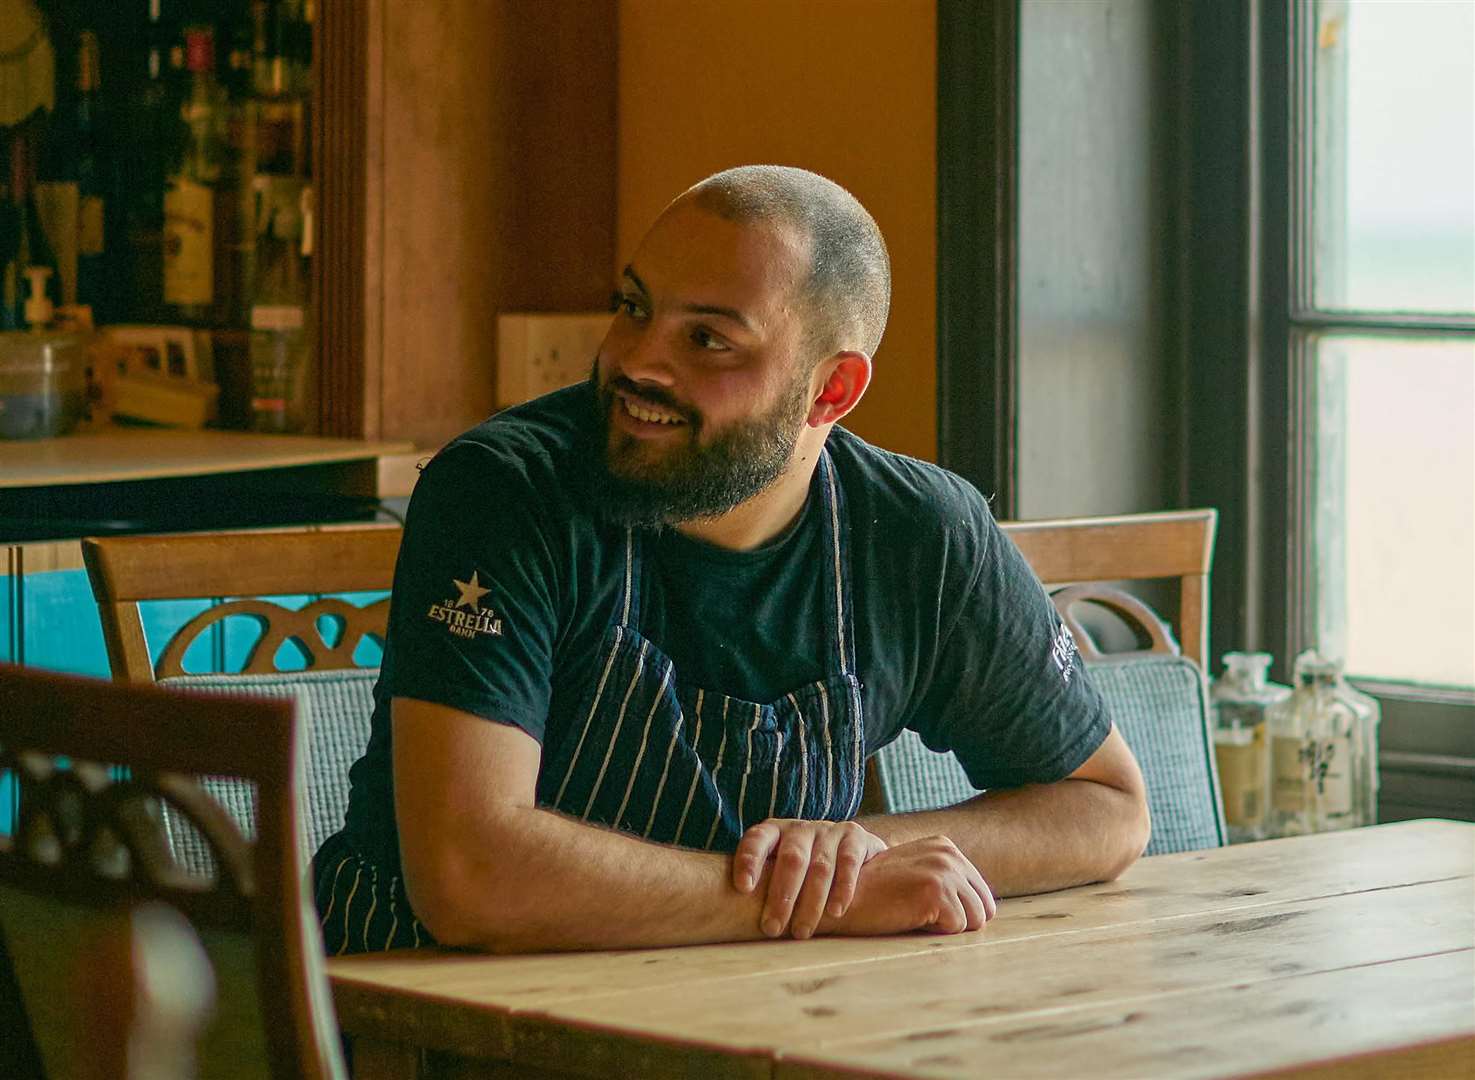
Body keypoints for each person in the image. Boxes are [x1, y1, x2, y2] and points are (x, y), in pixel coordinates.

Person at [313, 165, 1150, 956]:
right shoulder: (504, 492)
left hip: (736, 1016)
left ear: (831, 391)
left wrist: (855, 850)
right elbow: (470, 876)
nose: (637, 361)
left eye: (707, 339)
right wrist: (824, 895)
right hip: (429, 1019)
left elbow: (1107, 810)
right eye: (633, 307)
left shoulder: (917, 534)